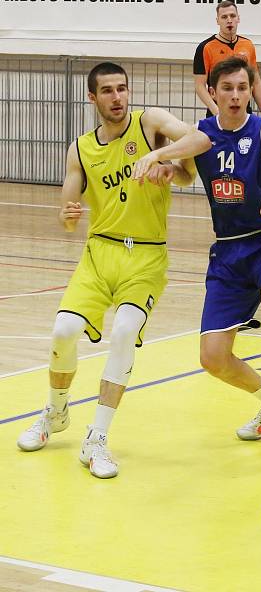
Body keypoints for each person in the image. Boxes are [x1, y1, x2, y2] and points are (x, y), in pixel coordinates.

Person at [133, 57, 261, 458]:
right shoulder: (201, 134)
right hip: (228, 250)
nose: (237, 95)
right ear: (213, 92)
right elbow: (191, 165)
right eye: (228, 88)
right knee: (213, 358)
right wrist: (167, 167)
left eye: (243, 87)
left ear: (250, 90)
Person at [16, 62, 195, 479]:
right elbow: (66, 216)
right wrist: (69, 214)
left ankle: (97, 436)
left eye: (122, 89)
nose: (118, 97)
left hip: (146, 256)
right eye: (108, 91)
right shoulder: (79, 149)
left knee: (123, 333)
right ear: (92, 98)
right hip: (99, 254)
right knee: (62, 331)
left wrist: (168, 162)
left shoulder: (148, 123)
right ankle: (56, 413)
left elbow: (193, 140)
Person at [193, 1, 261, 118]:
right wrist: (216, 111)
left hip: (243, 111)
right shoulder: (205, 48)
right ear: (217, 20)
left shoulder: (248, 45)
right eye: (224, 17)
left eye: (232, 16)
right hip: (217, 111)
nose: (229, 20)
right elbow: (199, 86)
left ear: (238, 18)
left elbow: (256, 81)